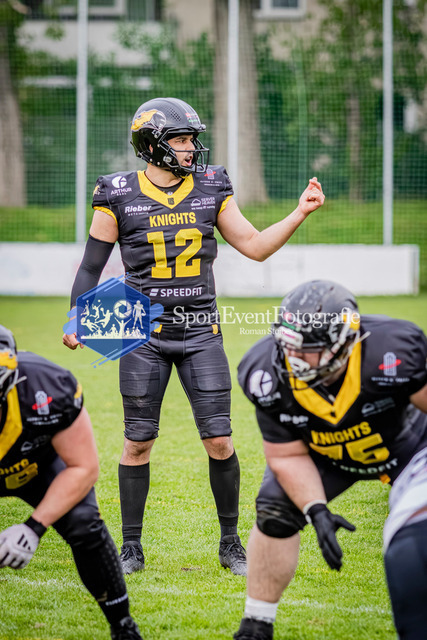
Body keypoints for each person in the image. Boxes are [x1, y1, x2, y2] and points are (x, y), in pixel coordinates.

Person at [62, 97, 325, 576]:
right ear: (151, 145)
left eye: (191, 139)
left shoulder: (210, 186)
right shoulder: (116, 194)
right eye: (180, 139)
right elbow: (90, 267)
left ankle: (231, 545)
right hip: (141, 332)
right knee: (137, 441)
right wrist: (77, 315)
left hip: (201, 329)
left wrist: (298, 213)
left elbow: (254, 247)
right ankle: (131, 547)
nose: (190, 148)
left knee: (219, 439)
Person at [234, 279, 427, 640]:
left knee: (414, 539)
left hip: (407, 447)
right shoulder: (264, 371)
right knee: (275, 509)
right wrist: (315, 508)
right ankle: (256, 625)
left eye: (307, 349)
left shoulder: (393, 349)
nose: (293, 357)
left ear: (344, 342)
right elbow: (286, 454)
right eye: (289, 345)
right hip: (326, 453)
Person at [0, 325, 143, 640]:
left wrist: (33, 528)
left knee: (83, 521)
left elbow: (84, 467)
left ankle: (123, 626)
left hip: (37, 463)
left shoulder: (49, 385)